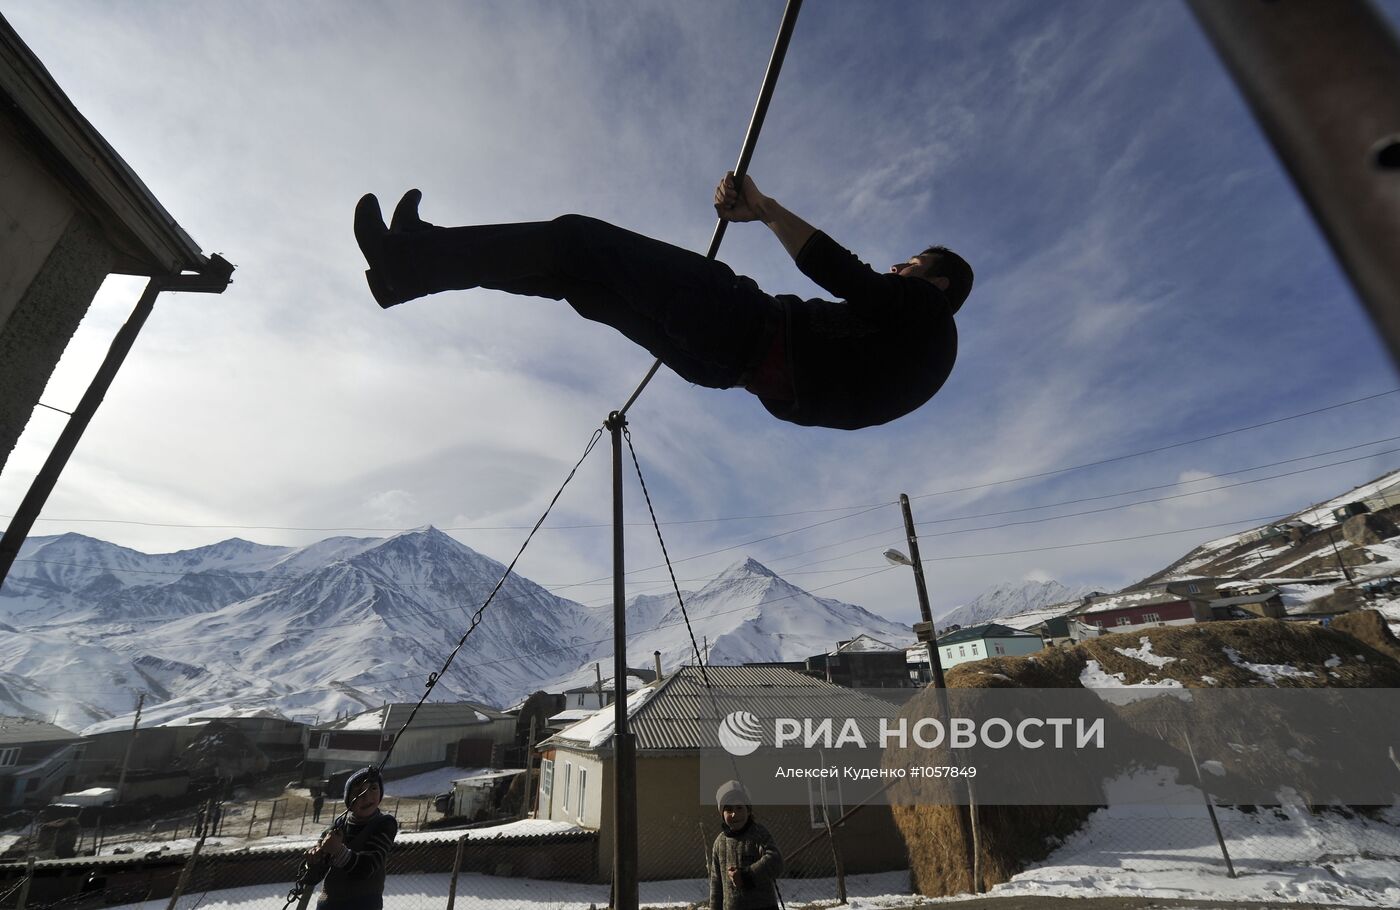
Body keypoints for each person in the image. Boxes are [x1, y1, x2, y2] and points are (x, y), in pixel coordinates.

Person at [353, 174, 972, 431]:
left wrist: (763, 208)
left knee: (577, 239)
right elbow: (812, 404)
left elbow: (843, 273)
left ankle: (410, 260)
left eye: (911, 265)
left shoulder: (926, 313)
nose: (898, 268)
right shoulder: (916, 361)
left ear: (936, 284)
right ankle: (414, 264)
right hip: (722, 366)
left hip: (742, 324)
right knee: (578, 278)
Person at [304, 767, 398, 910]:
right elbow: (313, 877)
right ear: (348, 800)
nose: (366, 797)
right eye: (358, 791)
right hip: (329, 904)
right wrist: (315, 859)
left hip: (364, 904)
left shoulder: (384, 824)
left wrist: (338, 851)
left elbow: (367, 867)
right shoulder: (337, 827)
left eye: (373, 788)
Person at [709, 780, 782, 910]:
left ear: (748, 811)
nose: (734, 814)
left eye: (739, 807)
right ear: (722, 814)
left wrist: (746, 876)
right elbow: (716, 885)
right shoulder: (719, 843)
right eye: (729, 809)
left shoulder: (758, 834)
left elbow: (775, 861)